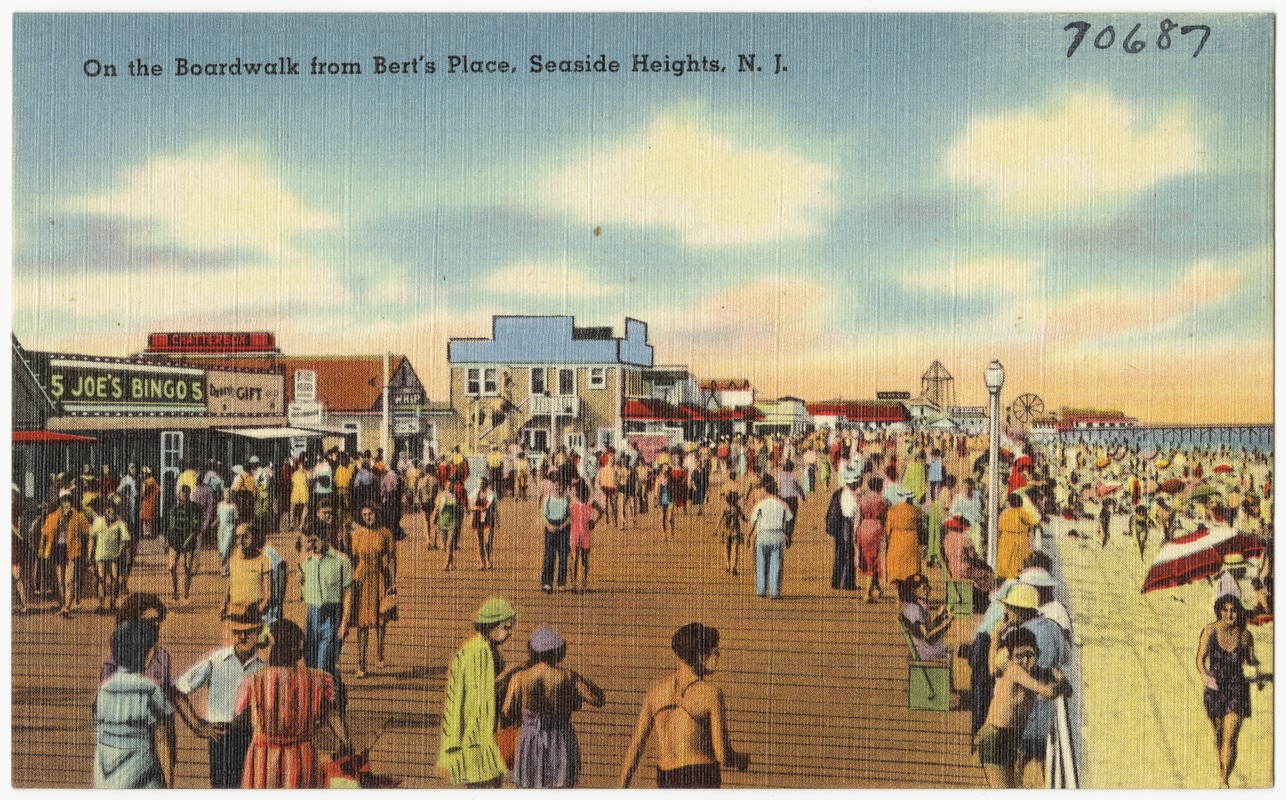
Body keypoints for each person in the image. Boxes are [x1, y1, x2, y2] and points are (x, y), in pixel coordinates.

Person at [620, 622, 750, 788]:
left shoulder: (656, 692)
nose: (717, 656)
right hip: (701, 776)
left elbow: (636, 746)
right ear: (701, 656)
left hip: (667, 776)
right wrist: (740, 760)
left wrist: (622, 787)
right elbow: (722, 755)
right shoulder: (711, 693)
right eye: (714, 651)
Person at [237, 618, 352, 788]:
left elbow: (240, 713)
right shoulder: (318, 680)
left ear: (273, 647)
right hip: (302, 757)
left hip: (263, 758)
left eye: (263, 644)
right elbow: (331, 715)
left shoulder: (253, 681)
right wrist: (346, 745)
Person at [174, 605, 267, 788]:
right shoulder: (216, 660)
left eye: (248, 632)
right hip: (221, 737)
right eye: (237, 632)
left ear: (258, 632)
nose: (242, 637)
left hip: (251, 738)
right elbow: (178, 690)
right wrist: (197, 725)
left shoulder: (263, 669)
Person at [502, 625, 606, 788]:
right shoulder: (568, 676)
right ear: (558, 651)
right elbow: (597, 699)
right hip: (560, 738)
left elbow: (507, 711)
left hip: (529, 739)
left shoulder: (519, 677)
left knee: (528, 787)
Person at [438, 598, 520, 788]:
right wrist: (510, 674)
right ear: (492, 626)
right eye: (506, 627)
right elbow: (483, 692)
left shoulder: (480, 646)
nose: (510, 633)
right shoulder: (481, 652)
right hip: (478, 732)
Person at [977, 626, 1068, 788]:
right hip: (996, 737)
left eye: (1029, 655)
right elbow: (1047, 691)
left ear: (1037, 653)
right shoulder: (1014, 671)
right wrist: (1061, 683)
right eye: (1020, 656)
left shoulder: (1037, 672)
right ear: (1010, 656)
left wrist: (1057, 677)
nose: (1025, 660)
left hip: (1012, 738)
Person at [93, 620, 174, 788]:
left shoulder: (103, 690)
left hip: (105, 780)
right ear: (149, 654)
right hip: (141, 779)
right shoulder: (150, 690)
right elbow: (162, 741)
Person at [1197, 594, 1259, 787]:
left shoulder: (1245, 635)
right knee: (1218, 735)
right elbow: (1200, 659)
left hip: (1237, 688)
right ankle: (1221, 770)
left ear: (1238, 612)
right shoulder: (1209, 631)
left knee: (1230, 737)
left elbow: (1250, 661)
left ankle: (1224, 779)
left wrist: (1256, 667)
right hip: (1215, 688)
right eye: (1226, 610)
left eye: (1233, 610)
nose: (1230, 614)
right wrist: (1204, 676)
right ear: (1219, 611)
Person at [298, 523, 354, 711]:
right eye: (309, 540)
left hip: (332, 617)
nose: (312, 544)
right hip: (312, 616)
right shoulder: (307, 561)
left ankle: (323, 706)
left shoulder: (341, 561)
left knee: (323, 665)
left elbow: (347, 593)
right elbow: (302, 592)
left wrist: (345, 622)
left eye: (315, 540)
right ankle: (331, 695)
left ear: (325, 536)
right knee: (310, 664)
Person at [350, 501, 393, 677]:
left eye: (371, 514)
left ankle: (380, 651)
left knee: (380, 618)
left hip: (380, 577)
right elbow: (352, 559)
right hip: (361, 578)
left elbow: (391, 558)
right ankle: (361, 664)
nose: (368, 517)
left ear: (376, 513)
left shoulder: (385, 533)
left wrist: (393, 582)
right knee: (362, 622)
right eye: (365, 515)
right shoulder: (357, 535)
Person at [40, 490, 91, 617]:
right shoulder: (53, 516)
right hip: (57, 549)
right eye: (63, 501)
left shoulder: (79, 516)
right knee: (60, 580)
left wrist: (87, 552)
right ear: (60, 502)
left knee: (69, 580)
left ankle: (67, 606)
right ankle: (63, 605)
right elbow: (45, 532)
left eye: (68, 500)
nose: (66, 503)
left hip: (72, 550)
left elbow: (88, 534)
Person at [748, 475, 792, 600]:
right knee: (776, 565)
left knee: (761, 563)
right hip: (778, 536)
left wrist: (749, 536)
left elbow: (753, 522)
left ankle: (761, 590)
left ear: (766, 491)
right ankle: (775, 592)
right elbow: (788, 521)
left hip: (762, 536)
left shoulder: (760, 504)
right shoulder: (783, 504)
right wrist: (788, 536)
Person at [898, 572, 952, 661]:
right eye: (924, 588)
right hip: (926, 651)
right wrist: (947, 625)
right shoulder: (914, 609)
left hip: (926, 648)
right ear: (913, 591)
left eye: (928, 587)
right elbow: (928, 637)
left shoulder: (916, 606)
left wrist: (940, 616)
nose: (928, 590)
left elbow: (928, 627)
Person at [89, 497, 130, 613]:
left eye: (112, 510)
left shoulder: (120, 523)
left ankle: (112, 603)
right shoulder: (98, 522)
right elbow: (92, 539)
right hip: (100, 556)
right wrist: (90, 555)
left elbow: (124, 540)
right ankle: (101, 605)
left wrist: (120, 552)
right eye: (108, 510)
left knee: (114, 579)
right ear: (104, 511)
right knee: (101, 579)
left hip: (114, 557)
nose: (110, 513)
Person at [164, 484, 203, 603]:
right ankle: (175, 592)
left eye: (186, 492)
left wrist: (187, 542)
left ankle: (186, 594)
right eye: (182, 492)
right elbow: (171, 527)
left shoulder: (195, 508)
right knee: (172, 567)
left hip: (189, 540)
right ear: (179, 494)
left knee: (187, 568)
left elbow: (196, 528)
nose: (184, 495)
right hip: (176, 540)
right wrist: (168, 542)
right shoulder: (174, 509)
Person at [225, 522, 272, 618]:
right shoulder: (233, 559)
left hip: (254, 614)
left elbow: (268, 592)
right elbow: (230, 585)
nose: (241, 540)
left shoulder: (263, 560)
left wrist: (262, 606)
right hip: (234, 613)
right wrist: (224, 604)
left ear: (254, 538)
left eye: (246, 536)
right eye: (238, 537)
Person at [857, 476, 890, 603]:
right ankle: (867, 593)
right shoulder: (882, 501)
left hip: (863, 528)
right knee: (875, 560)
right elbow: (885, 517)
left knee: (867, 559)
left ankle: (876, 587)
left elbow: (858, 516)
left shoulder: (863, 499)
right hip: (876, 529)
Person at [996, 493, 1038, 581]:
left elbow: (999, 527)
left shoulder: (1005, 513)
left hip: (1006, 540)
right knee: (1018, 564)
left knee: (1005, 563)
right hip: (1021, 540)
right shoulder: (1024, 514)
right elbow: (1031, 528)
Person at [540, 478, 573, 593]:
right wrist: (549, 525)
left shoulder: (567, 499)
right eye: (556, 485)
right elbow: (543, 515)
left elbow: (570, 516)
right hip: (550, 527)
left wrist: (563, 525)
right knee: (549, 556)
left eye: (560, 485)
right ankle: (547, 582)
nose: (558, 487)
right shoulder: (548, 499)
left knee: (563, 556)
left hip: (563, 528)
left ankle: (561, 582)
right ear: (553, 486)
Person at [885, 488, 924, 585]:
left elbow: (888, 529)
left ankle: (898, 595)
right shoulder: (917, 511)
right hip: (912, 539)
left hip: (896, 539)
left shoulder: (892, 510)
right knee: (911, 567)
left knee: (896, 567)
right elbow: (921, 528)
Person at [569, 483, 603, 592]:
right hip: (576, 534)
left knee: (584, 560)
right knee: (576, 559)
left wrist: (594, 521)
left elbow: (601, 511)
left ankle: (582, 583)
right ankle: (574, 584)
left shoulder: (590, 503)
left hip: (584, 534)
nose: (583, 496)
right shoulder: (573, 503)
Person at [471, 477, 499, 571]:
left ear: (486, 484)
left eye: (482, 483)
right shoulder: (476, 492)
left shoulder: (491, 494)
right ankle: (482, 562)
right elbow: (471, 505)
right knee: (480, 542)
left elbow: (495, 509)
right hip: (477, 517)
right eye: (479, 484)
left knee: (487, 542)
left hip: (488, 518)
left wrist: (498, 521)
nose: (480, 485)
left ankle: (488, 560)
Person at [720, 490, 749, 577]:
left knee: (726, 548)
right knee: (735, 549)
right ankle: (734, 567)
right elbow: (744, 518)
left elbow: (720, 518)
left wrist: (716, 529)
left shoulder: (725, 508)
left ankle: (728, 565)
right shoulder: (738, 508)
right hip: (736, 531)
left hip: (726, 530)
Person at [216, 488, 239, 577]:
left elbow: (236, 520)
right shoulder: (220, 505)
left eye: (229, 494)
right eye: (226, 494)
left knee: (226, 548)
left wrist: (236, 531)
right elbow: (218, 518)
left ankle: (225, 568)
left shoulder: (233, 507)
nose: (227, 496)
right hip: (221, 529)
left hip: (230, 529)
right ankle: (225, 568)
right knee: (222, 550)